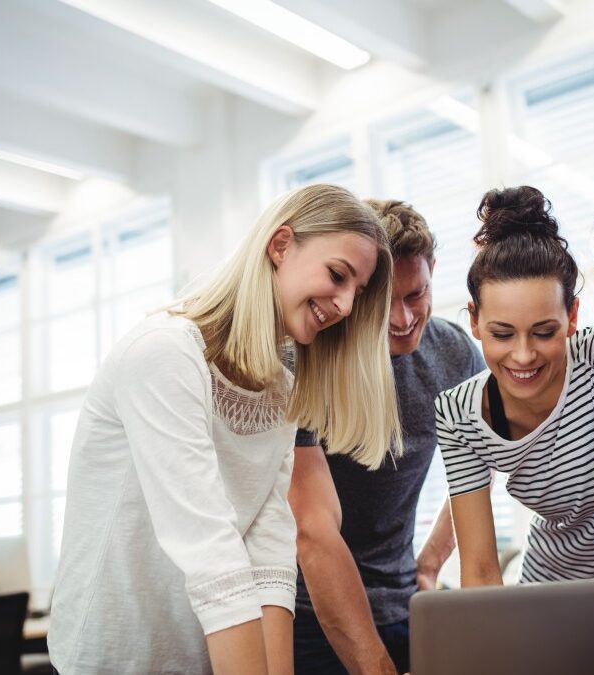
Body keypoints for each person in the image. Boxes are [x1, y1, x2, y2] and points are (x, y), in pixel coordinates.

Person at [48, 184, 403, 675]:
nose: (343, 305)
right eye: (337, 275)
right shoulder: (165, 354)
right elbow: (210, 550)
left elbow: (269, 552)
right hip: (114, 655)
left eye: (356, 292)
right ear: (280, 246)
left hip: (199, 655)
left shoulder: (282, 389)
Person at [435, 186, 594, 590]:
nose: (523, 355)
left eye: (544, 332)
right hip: (546, 590)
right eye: (502, 334)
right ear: (475, 322)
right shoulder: (458, 414)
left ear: (571, 316)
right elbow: (479, 570)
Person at [290, 199, 485, 675]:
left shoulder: (455, 354)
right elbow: (310, 531)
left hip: (404, 606)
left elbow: (484, 461)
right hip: (309, 613)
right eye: (385, 303)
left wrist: (432, 561)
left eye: (415, 295)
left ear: (434, 271)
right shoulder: (311, 362)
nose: (401, 319)